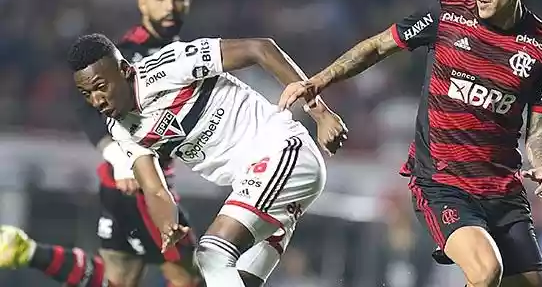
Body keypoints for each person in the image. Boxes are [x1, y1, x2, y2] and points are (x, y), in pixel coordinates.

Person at [278, 0, 542, 287]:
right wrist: (320, 81)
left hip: (502, 190)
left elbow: (539, 130)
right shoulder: (448, 18)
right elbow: (377, 47)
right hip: (443, 182)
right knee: (487, 270)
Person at [66, 33, 347, 287]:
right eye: (86, 94)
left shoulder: (169, 65)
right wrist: (167, 224)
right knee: (233, 279)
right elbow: (153, 187)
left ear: (124, 70)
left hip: (283, 151)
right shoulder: (120, 128)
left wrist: (320, 114)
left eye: (100, 87)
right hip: (260, 183)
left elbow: (260, 49)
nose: (96, 100)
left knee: (212, 253)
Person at [0, 0, 201, 287]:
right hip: (141, 186)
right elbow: (86, 109)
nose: (170, 6)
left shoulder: (179, 51)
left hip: (132, 185)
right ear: (142, 3)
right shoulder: (128, 55)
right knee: (189, 277)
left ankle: (30, 252)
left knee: (119, 280)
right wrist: (121, 160)